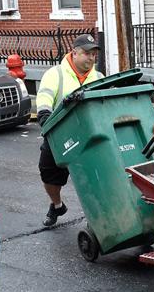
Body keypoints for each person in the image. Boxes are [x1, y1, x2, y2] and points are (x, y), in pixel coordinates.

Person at [36, 33, 103, 227]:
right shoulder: (55, 74)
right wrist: (44, 116)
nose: (91, 58)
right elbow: (45, 97)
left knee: (95, 176)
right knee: (48, 173)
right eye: (87, 54)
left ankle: (99, 215)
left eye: (94, 54)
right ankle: (56, 205)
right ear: (74, 53)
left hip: (90, 134)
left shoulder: (98, 77)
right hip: (59, 132)